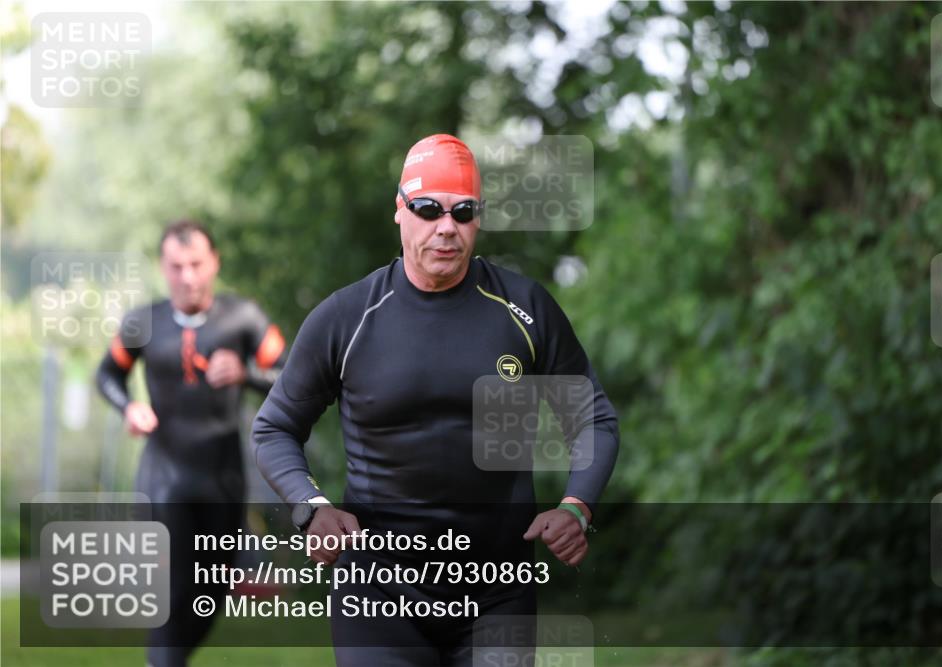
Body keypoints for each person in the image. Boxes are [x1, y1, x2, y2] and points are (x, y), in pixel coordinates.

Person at [253, 134, 619, 666]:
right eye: (428, 209)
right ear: (399, 212)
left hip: (498, 594)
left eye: (463, 212)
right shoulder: (347, 318)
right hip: (376, 594)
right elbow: (274, 427)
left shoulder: (524, 309)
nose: (446, 226)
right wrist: (310, 506)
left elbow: (593, 418)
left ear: (478, 219)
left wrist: (577, 504)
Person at [95, 219, 287, 667]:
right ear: (163, 267)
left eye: (197, 264)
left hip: (222, 480)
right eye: (176, 266)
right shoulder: (143, 322)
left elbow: (292, 375)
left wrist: (247, 374)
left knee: (210, 595)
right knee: (174, 589)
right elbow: (107, 374)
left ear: (215, 262)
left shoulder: (244, 318)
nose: (188, 276)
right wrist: (128, 407)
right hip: (163, 479)